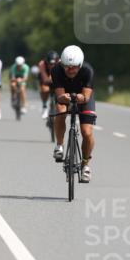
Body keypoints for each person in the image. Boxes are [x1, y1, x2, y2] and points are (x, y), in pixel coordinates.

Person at [51, 45, 95, 183]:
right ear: (62, 64)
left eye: (74, 67)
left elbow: (87, 96)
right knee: (60, 111)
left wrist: (81, 98)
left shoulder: (88, 70)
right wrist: (65, 98)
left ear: (80, 65)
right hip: (64, 95)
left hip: (83, 97)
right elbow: (59, 95)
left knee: (87, 133)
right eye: (67, 66)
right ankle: (59, 145)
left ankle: (85, 164)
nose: (70, 70)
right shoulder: (56, 70)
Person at [36, 50, 60, 119]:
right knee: (44, 89)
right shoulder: (42, 64)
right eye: (50, 64)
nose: (51, 66)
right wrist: (51, 76)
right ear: (47, 62)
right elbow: (45, 79)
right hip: (46, 80)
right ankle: (44, 107)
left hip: (57, 80)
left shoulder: (61, 63)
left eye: (53, 64)